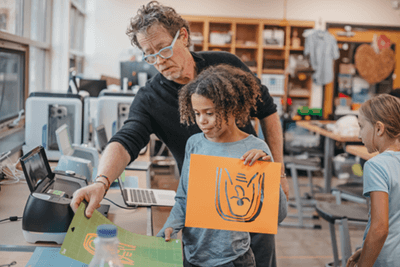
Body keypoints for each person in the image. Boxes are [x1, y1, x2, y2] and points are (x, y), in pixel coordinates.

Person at [71, 2, 288, 266]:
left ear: (183, 36)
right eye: (149, 55)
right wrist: (101, 181)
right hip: (203, 214)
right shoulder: (151, 97)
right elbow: (126, 138)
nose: (159, 60)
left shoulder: (226, 66)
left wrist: (278, 170)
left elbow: (267, 110)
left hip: (250, 197)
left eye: (163, 48)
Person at [157, 64, 287, 267]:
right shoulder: (195, 144)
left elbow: (278, 216)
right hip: (192, 256)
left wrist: (268, 178)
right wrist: (171, 226)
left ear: (233, 108)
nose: (202, 121)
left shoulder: (256, 148)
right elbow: (184, 199)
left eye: (209, 113)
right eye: (197, 113)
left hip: (233, 259)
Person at [346, 94, 400, 267]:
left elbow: (379, 228)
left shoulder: (376, 166)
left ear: (379, 128)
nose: (359, 134)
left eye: (361, 126)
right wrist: (367, 250)